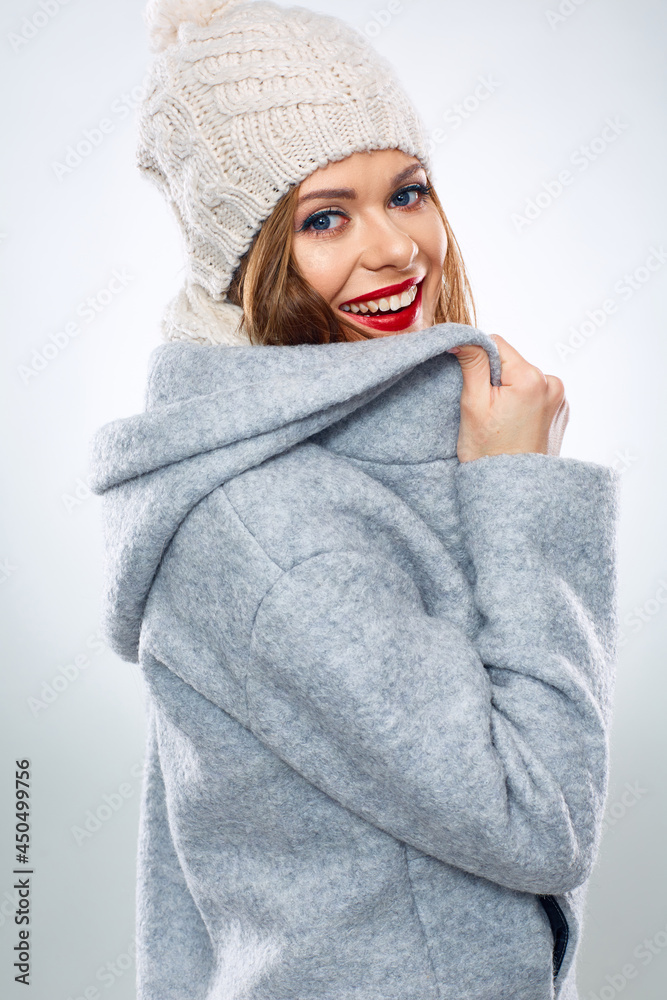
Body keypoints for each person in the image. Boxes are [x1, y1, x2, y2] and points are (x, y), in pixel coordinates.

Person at [88, 1, 620, 998]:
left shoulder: (362, 453)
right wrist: (521, 492)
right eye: (325, 217)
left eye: (407, 193)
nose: (394, 249)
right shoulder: (272, 529)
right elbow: (536, 813)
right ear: (238, 255)